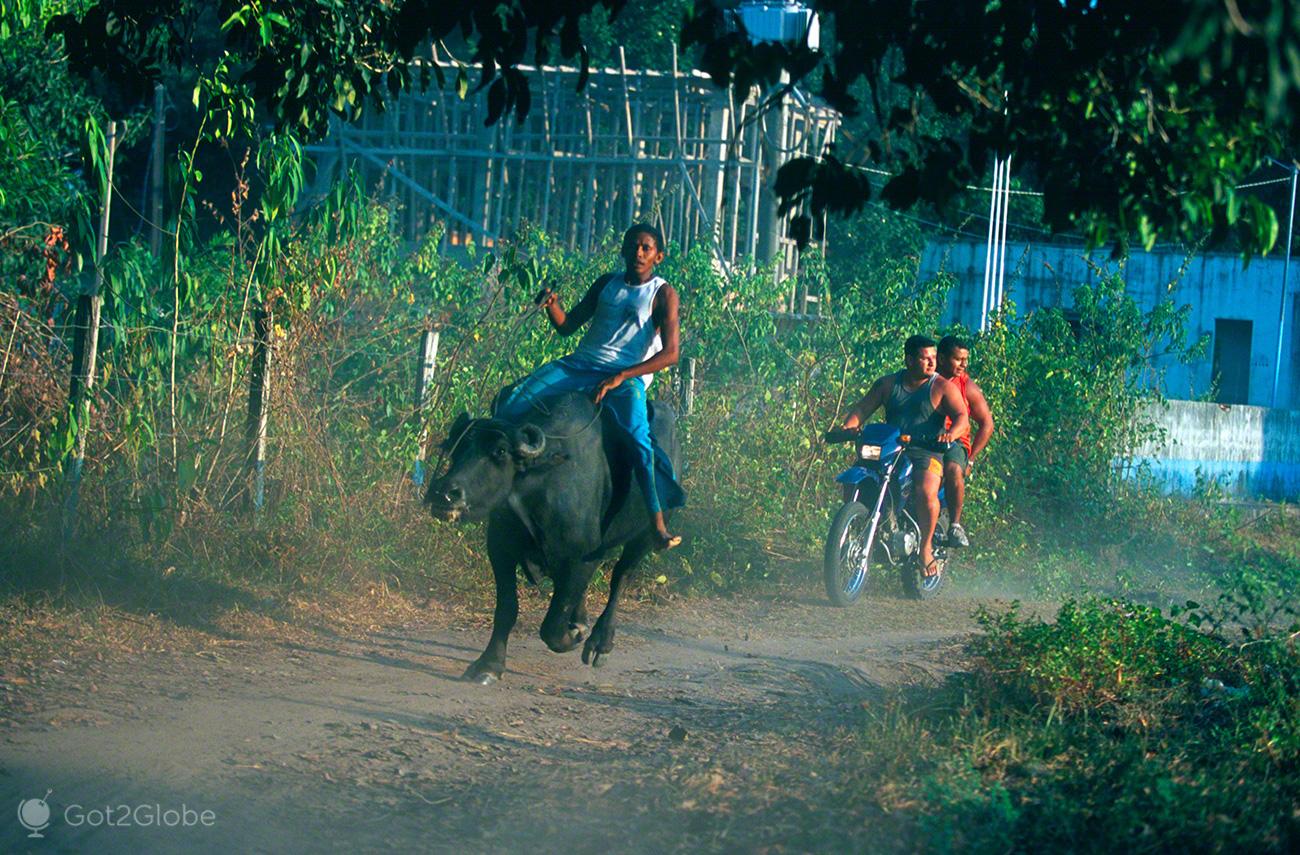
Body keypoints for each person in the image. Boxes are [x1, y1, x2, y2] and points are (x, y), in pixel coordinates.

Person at [495, 224, 684, 549]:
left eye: (646, 248)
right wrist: (551, 304)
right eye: (633, 246)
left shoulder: (662, 294)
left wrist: (623, 376)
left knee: (640, 443)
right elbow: (568, 326)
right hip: (580, 364)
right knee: (511, 401)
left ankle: (657, 525)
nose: (638, 253)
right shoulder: (606, 284)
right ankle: (496, 489)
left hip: (625, 376)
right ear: (623, 250)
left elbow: (671, 354)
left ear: (658, 256)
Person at [832, 335, 969, 576]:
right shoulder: (887, 384)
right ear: (908, 360)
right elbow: (863, 408)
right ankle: (852, 530)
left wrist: (950, 434)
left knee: (926, 491)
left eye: (934, 358)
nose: (931, 363)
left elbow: (962, 418)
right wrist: (848, 427)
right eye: (924, 358)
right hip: (890, 447)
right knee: (860, 470)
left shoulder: (942, 387)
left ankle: (925, 549)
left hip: (927, 451)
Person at [936, 335, 995, 548]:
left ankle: (954, 525)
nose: (964, 364)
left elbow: (987, 424)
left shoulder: (967, 386)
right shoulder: (925, 379)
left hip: (955, 442)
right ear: (941, 359)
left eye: (965, 359)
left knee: (953, 469)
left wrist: (970, 459)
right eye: (958, 359)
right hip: (923, 438)